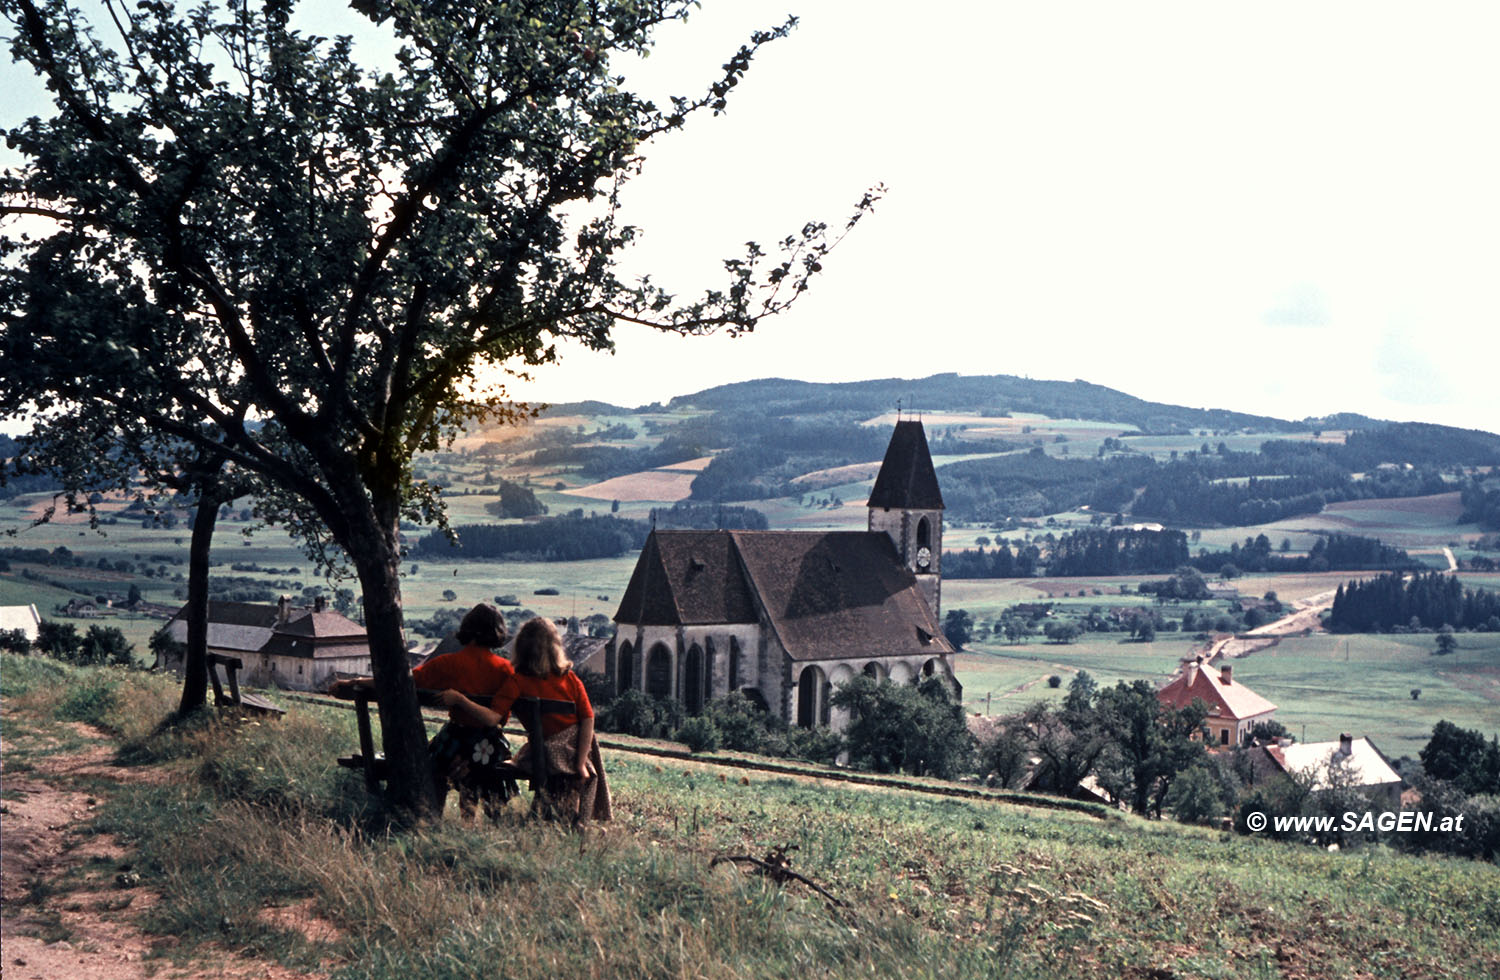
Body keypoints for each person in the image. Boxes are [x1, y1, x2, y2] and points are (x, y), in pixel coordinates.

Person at [330, 603, 517, 819]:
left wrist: (354, 681)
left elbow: (404, 681)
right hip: (489, 746)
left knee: (434, 766)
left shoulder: (448, 663)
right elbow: (502, 716)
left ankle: (433, 816)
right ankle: (473, 822)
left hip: (455, 740)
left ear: (467, 629)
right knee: (480, 767)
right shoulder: (505, 669)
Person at [440, 616, 610, 823]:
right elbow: (588, 719)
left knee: (526, 759)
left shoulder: (517, 681)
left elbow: (492, 718)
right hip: (578, 748)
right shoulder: (570, 678)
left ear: (521, 647)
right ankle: (575, 821)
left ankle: (549, 816)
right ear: (555, 647)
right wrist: (581, 761)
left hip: (547, 752)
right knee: (567, 771)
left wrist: (460, 700)